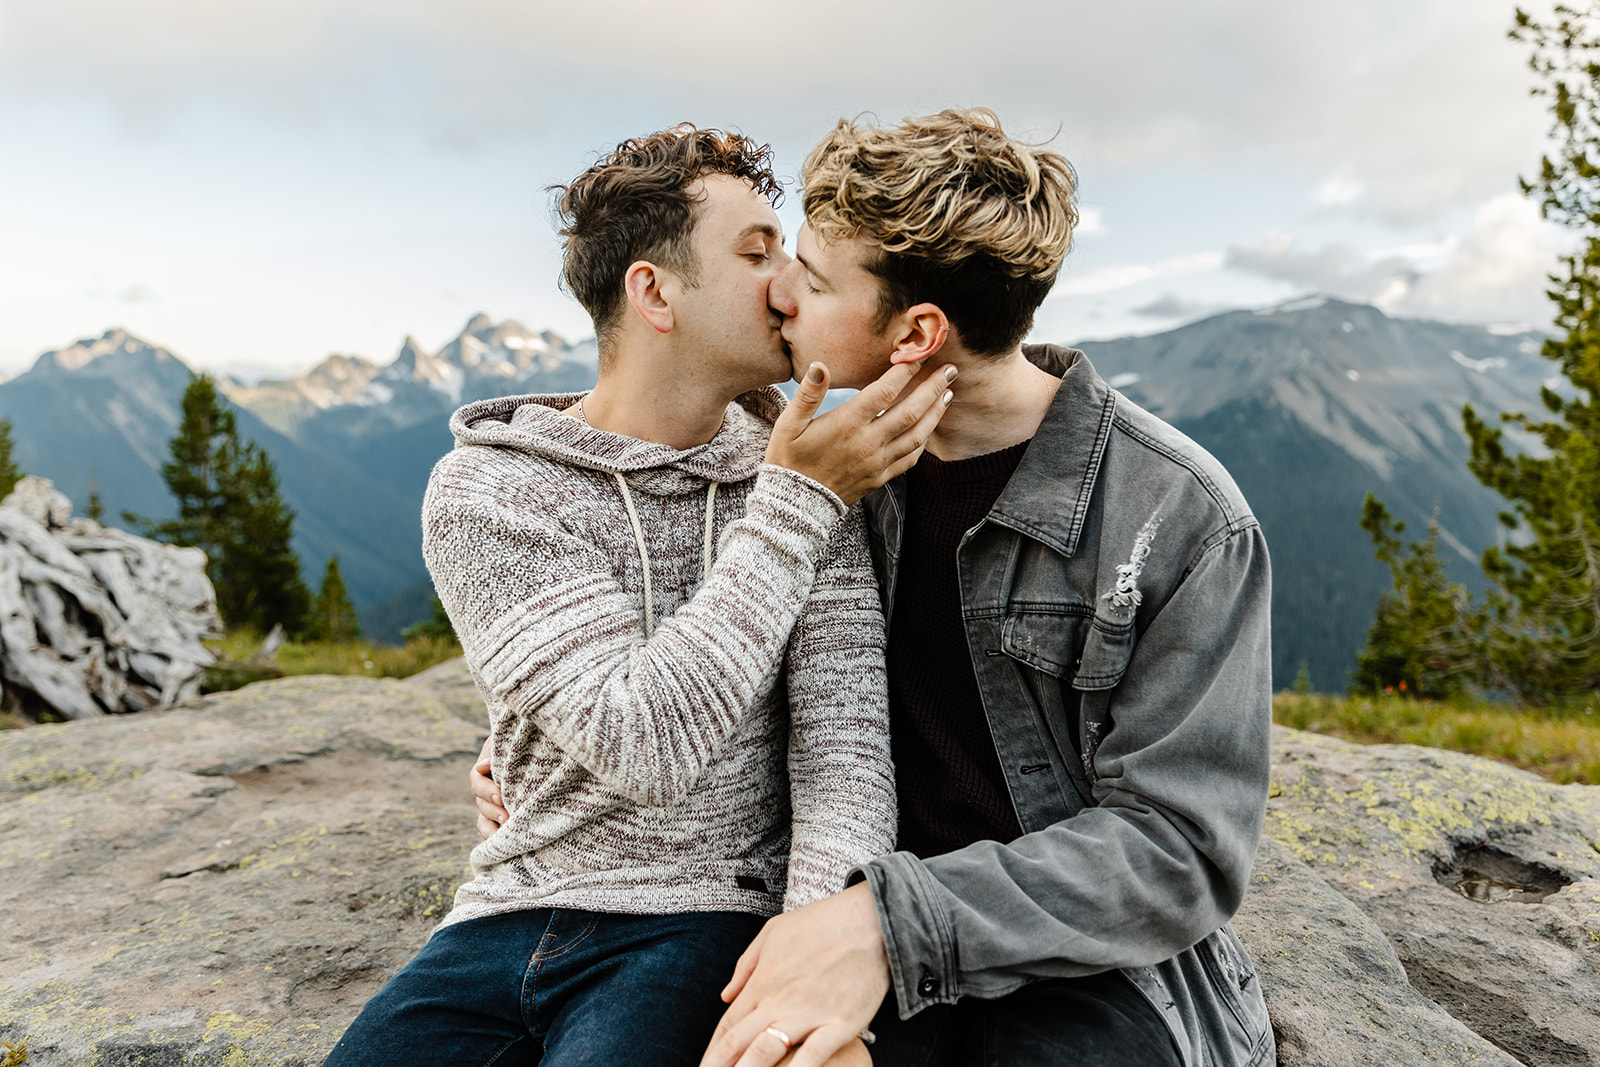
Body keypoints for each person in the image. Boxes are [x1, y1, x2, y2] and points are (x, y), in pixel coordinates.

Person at [479, 107, 1274, 1067]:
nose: (781, 297)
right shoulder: (825, 471)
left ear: (915, 332)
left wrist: (887, 927)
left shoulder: (1179, 516)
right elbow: (686, 650)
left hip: (1081, 967)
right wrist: (532, 753)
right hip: (840, 907)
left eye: (811, 280)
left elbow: (1180, 851)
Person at [326, 125, 954, 1065]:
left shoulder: (807, 474)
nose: (790, 284)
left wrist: (810, 957)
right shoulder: (488, 490)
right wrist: (798, 502)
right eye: (756, 253)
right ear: (653, 292)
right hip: (502, 914)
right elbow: (637, 736)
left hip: (701, 921)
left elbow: (844, 756)